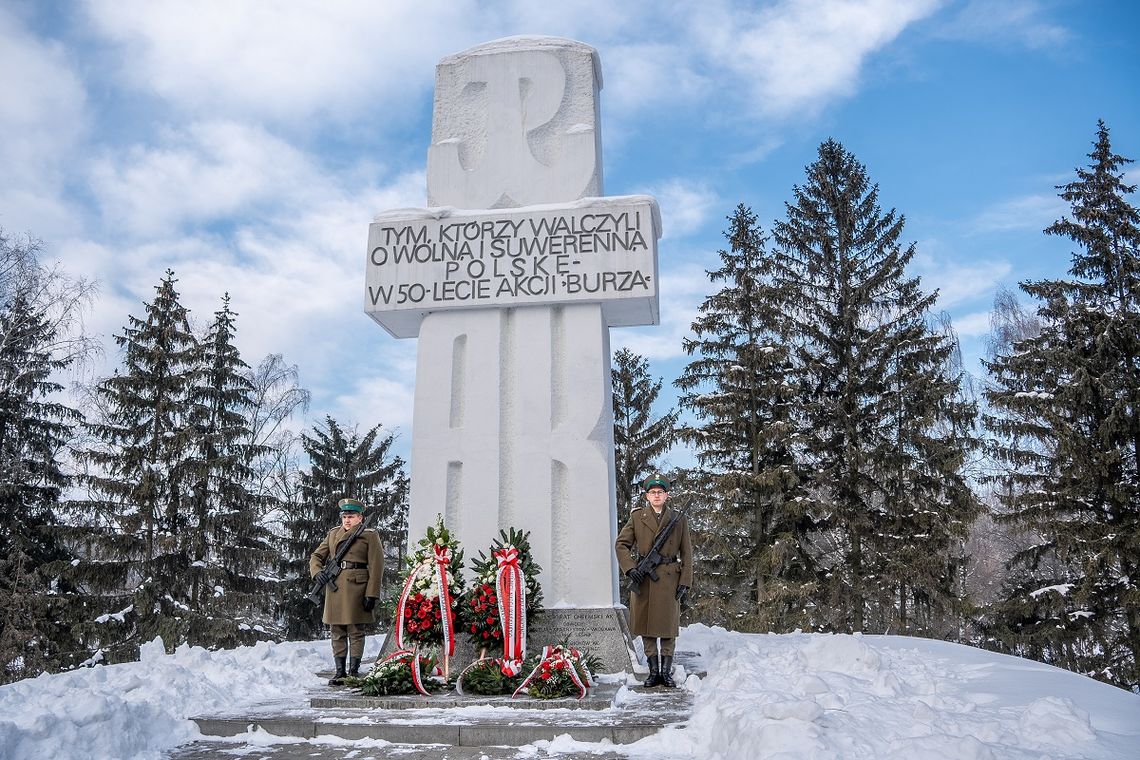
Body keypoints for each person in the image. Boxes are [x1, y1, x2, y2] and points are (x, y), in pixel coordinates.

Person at [615, 473, 692, 688]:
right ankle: (653, 672)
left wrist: (685, 580)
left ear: (666, 495)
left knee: (667, 628)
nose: (656, 496)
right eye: (652, 492)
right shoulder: (638, 517)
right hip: (644, 578)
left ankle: (666, 673)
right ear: (647, 496)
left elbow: (687, 552)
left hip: (669, 579)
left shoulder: (678, 519)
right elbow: (621, 544)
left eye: (660, 492)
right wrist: (630, 570)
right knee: (647, 627)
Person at [309, 497, 384, 685]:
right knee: (337, 630)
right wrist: (317, 572)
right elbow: (317, 555)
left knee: (355, 630)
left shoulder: (369, 535)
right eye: (344, 517)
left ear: (360, 517)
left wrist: (372, 593)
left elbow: (377, 566)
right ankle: (340, 671)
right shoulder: (334, 534)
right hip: (335, 585)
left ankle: (353, 671)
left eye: (351, 516)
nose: (347, 520)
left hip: (357, 587)